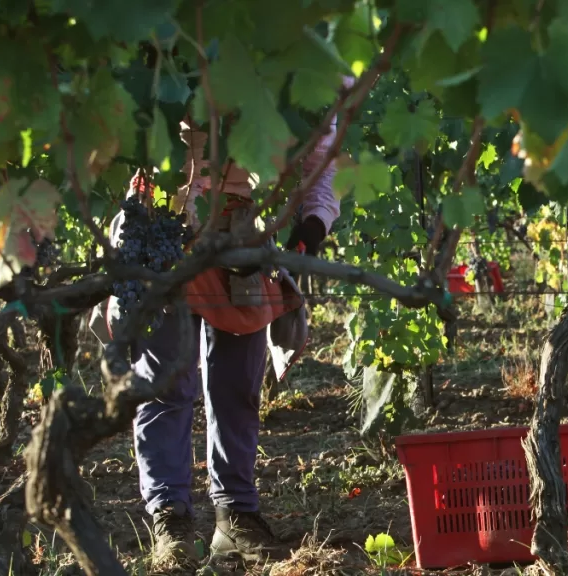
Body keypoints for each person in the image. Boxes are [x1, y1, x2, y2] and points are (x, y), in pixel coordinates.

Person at [90, 76, 352, 569]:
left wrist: (309, 230)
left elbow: (322, 150)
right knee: (165, 379)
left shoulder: (308, 53)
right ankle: (171, 519)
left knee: (237, 384)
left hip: (242, 230)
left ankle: (236, 516)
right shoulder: (175, 36)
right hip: (164, 216)